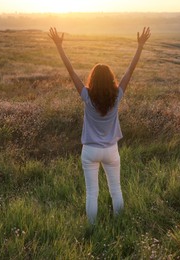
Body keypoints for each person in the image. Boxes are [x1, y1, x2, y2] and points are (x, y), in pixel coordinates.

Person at [48, 27, 151, 224]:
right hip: (111, 150)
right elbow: (131, 70)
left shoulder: (86, 96)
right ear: (111, 79)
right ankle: (119, 224)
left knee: (91, 193)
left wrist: (59, 47)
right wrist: (140, 46)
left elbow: (71, 71)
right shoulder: (117, 96)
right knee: (116, 190)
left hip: (90, 151)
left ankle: (92, 229)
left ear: (92, 79)